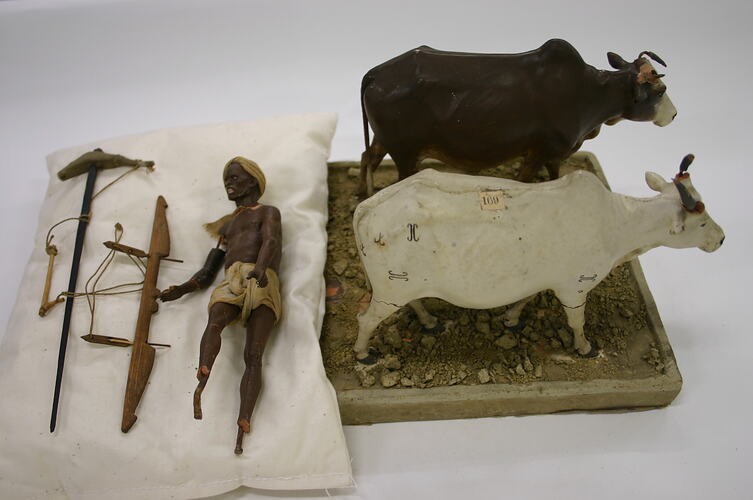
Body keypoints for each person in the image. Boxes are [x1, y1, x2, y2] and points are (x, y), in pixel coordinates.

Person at [160, 156, 282, 454]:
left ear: (253, 181)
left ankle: (243, 421)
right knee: (214, 321)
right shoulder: (228, 225)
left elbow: (270, 241)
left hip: (262, 278)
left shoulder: (268, 212)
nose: (229, 183)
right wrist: (182, 289)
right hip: (232, 279)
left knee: (253, 355)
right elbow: (208, 270)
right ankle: (203, 376)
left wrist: (261, 269)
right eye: (226, 179)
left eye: (235, 177)